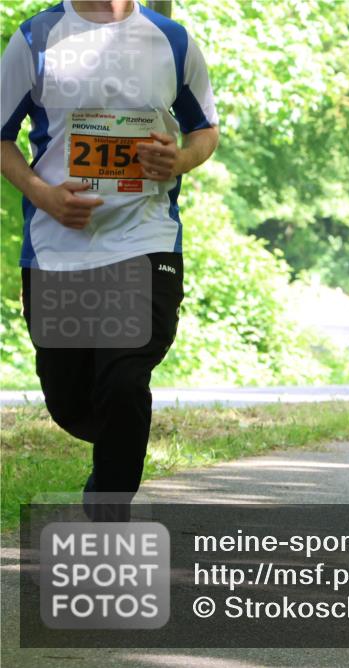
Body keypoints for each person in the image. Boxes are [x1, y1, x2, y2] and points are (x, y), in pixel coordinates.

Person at [2, 0, 219, 520]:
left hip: (145, 239)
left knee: (124, 379)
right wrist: (43, 194)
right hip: (59, 246)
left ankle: (108, 513)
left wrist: (180, 159)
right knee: (68, 399)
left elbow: (205, 129)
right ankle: (118, 448)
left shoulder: (173, 40)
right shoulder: (34, 39)